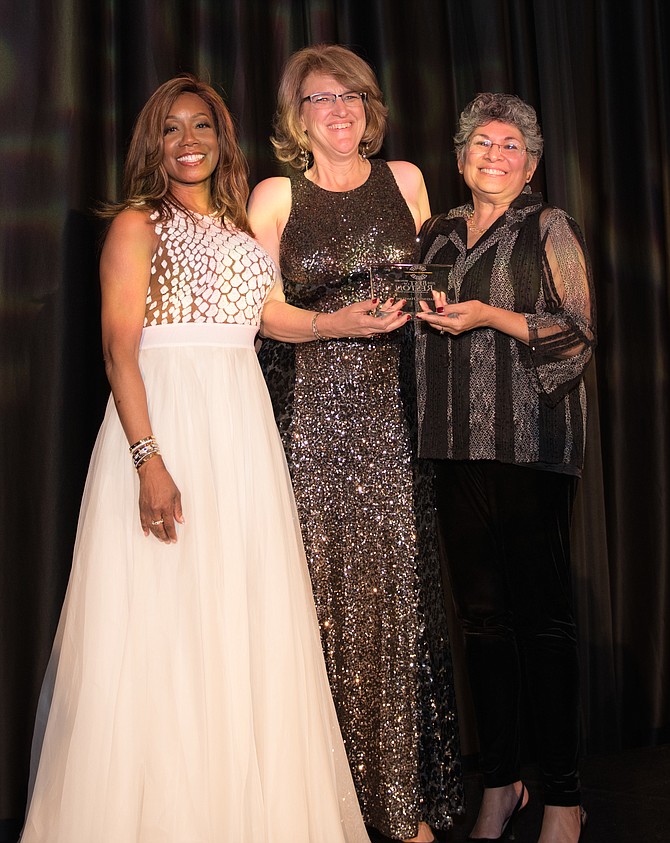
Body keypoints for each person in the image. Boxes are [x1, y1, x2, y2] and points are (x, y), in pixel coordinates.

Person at [19, 74, 371, 843]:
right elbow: (119, 351)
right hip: (166, 430)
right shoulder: (135, 226)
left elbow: (267, 317)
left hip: (241, 437)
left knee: (238, 623)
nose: (188, 140)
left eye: (201, 126)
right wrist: (148, 459)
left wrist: (337, 320)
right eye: (172, 128)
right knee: (161, 624)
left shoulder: (243, 232)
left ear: (222, 138)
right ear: (154, 142)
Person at [247, 44, 463, 843]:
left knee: (394, 598)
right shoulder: (275, 194)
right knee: (321, 600)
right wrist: (333, 323)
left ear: (370, 110)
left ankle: (394, 796)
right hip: (312, 415)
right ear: (295, 116)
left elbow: (431, 277)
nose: (337, 111)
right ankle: (319, 803)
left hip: (396, 409)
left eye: (350, 97)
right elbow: (262, 311)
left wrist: (433, 305)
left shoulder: (405, 180)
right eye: (318, 99)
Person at [415, 92, 596, 843]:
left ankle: (563, 795)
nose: (496, 154)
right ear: (461, 159)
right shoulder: (435, 233)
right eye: (482, 144)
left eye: (511, 145)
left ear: (531, 162)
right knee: (480, 623)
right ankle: (500, 783)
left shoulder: (549, 227)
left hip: (530, 446)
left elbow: (579, 330)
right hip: (452, 445)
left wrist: (489, 315)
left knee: (542, 623)